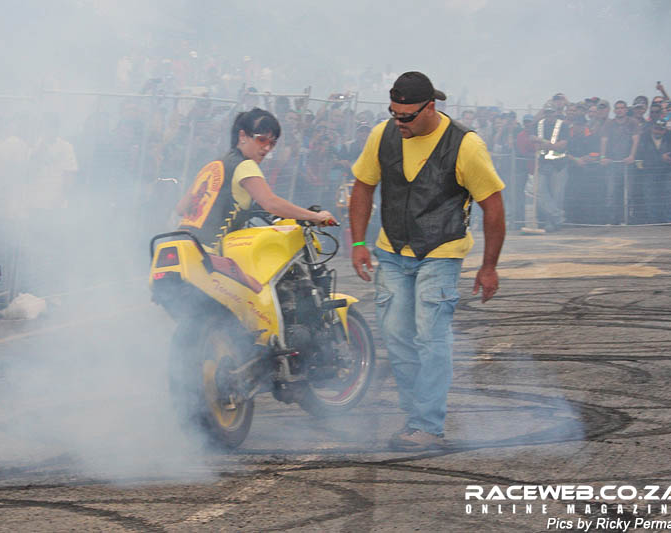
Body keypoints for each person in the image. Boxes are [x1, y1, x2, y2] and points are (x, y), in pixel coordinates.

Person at [348, 72, 506, 451]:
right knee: (398, 338)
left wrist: (488, 266)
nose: (398, 123)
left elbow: (493, 207)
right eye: (393, 114)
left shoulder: (466, 146)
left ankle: (427, 425)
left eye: (406, 116)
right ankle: (414, 416)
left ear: (430, 107)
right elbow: (363, 187)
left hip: (442, 252)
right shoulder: (382, 136)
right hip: (392, 251)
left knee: (430, 338)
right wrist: (357, 241)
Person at [176, 107, 335, 250]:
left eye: (272, 143)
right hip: (208, 254)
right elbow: (271, 203)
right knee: (258, 282)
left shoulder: (212, 166)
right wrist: (315, 216)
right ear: (242, 135)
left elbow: (181, 208)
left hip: (179, 244)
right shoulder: (245, 165)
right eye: (262, 139)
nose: (267, 148)